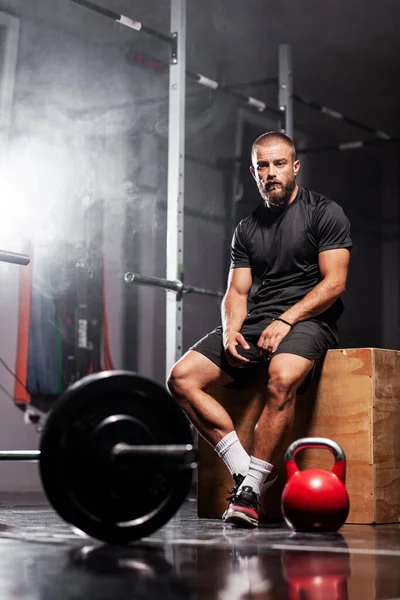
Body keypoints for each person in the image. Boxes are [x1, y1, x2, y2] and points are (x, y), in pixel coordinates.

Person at [167, 131, 352, 528]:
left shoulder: (325, 212)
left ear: (295, 166)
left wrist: (287, 319)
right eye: (263, 166)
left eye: (279, 164)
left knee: (281, 377)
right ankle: (248, 478)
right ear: (254, 172)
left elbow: (334, 283)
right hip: (256, 322)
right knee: (181, 378)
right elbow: (236, 290)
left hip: (308, 320)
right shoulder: (246, 228)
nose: (271, 173)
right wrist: (231, 328)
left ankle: (248, 490)